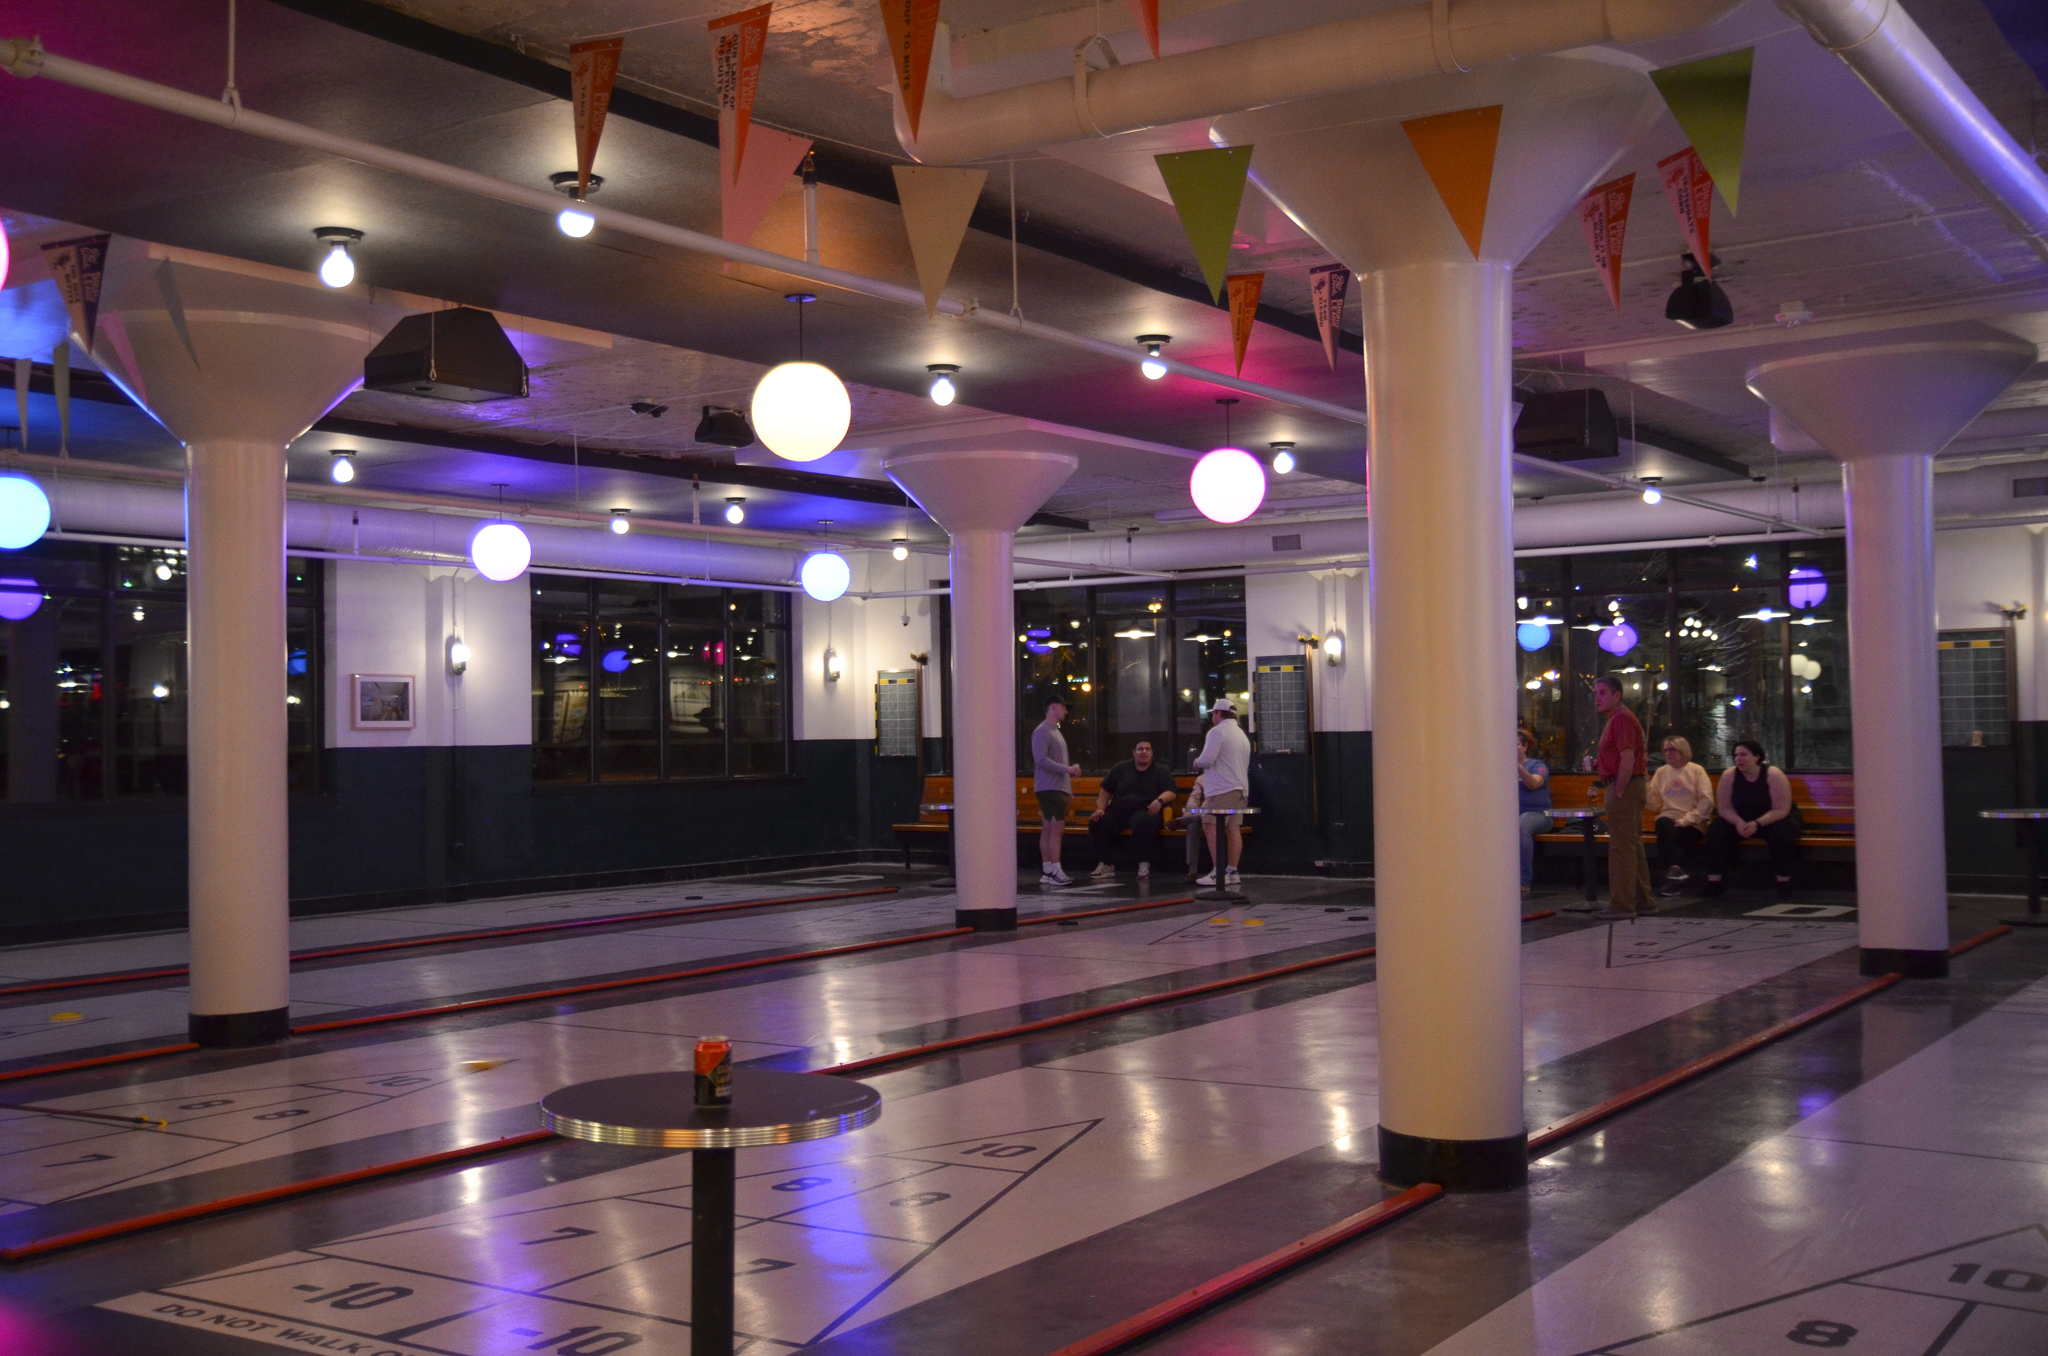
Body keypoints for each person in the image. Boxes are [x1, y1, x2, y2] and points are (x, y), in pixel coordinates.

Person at [1584, 674, 1650, 918]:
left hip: (1625, 786)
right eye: (1595, 694)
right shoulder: (1618, 718)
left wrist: (1619, 789)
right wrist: (1598, 764)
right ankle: (1643, 901)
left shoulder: (1621, 718)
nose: (1597, 698)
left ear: (1617, 695)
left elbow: (1628, 757)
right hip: (1630, 785)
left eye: (1602, 693)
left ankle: (1622, 904)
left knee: (1621, 848)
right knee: (1632, 845)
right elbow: (1621, 756)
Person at [1703, 739, 1802, 898]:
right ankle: (1714, 881)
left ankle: (1783, 882)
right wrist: (1738, 822)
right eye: (1736, 755)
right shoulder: (1729, 775)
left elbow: (1781, 809)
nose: (1738, 759)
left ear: (1757, 756)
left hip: (1773, 818)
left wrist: (1757, 823)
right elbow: (1724, 808)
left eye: (1743, 754)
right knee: (1716, 830)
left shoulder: (1773, 774)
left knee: (1783, 834)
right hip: (1742, 819)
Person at [1089, 739, 1178, 880]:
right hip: (1119, 811)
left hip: (1146, 810)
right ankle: (1106, 864)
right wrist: (1100, 809)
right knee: (1098, 821)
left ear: (1152, 753)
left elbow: (1172, 791)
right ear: (1134, 753)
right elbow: (1105, 791)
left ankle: (1144, 864)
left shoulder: (1160, 771)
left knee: (1143, 822)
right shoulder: (1121, 768)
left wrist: (1160, 800)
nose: (1144, 752)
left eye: (1147, 749)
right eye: (1140, 749)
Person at [1194, 697, 1251, 887]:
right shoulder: (1241, 734)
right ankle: (1232, 872)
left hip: (1222, 789)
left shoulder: (1217, 732)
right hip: (1241, 789)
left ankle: (1218, 873)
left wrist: (1196, 762)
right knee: (1233, 828)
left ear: (1218, 713)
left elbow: (1206, 760)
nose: (1212, 717)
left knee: (1210, 824)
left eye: (1214, 714)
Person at [1647, 734, 1714, 897]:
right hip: (1668, 821)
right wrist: (1645, 786)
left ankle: (1671, 877)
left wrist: (1686, 820)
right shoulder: (1661, 772)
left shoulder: (1696, 771)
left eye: (1672, 750)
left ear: (1683, 751)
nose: (1668, 753)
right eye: (1665, 750)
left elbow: (1706, 802)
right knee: (1663, 823)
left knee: (1666, 835)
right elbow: (1654, 805)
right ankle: (1675, 873)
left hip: (1693, 823)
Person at [1030, 698, 1082, 887]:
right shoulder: (1042, 731)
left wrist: (1067, 787)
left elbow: (1054, 761)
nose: (1066, 711)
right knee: (1056, 829)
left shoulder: (1053, 731)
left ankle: (1047, 870)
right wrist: (1067, 770)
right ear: (1053, 707)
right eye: (1063, 707)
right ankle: (1056, 871)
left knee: (1048, 828)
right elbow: (1040, 759)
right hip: (1050, 787)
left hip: (1054, 787)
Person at [1516, 729, 1551, 898]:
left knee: (1522, 825)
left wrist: (1517, 767)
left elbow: (1534, 783)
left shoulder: (1537, 765)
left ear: (1525, 747)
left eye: (1516, 744)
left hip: (1539, 814)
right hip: (1511, 816)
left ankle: (1523, 881)